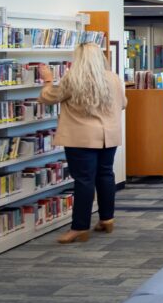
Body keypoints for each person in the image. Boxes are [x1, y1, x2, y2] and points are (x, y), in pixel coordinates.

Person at [38, 43, 127, 244]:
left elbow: (48, 97)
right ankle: (107, 218)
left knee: (84, 180)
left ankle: (79, 228)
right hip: (108, 136)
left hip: (82, 138)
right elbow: (123, 104)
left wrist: (48, 80)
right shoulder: (113, 78)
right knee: (105, 175)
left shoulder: (73, 78)